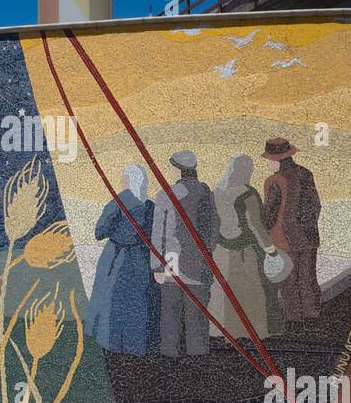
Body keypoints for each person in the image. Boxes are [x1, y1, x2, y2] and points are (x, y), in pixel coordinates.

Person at [151, 151, 219, 357]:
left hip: (172, 260)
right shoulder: (206, 193)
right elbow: (214, 226)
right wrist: (206, 250)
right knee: (197, 311)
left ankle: (169, 353)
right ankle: (198, 354)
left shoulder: (165, 195)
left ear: (177, 169)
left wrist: (156, 266)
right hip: (199, 261)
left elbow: (158, 234)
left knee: (170, 310)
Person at [86, 166, 160, 355]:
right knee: (138, 303)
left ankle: (110, 344)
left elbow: (99, 232)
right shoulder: (149, 205)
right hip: (141, 260)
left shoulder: (120, 201)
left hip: (116, 259)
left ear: (127, 179)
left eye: (123, 177)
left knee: (112, 300)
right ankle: (136, 345)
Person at [209, 155, 282, 342]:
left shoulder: (217, 191)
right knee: (248, 291)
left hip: (219, 249)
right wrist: (270, 249)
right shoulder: (247, 193)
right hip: (242, 251)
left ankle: (218, 331)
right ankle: (244, 332)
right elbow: (256, 225)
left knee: (221, 291)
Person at [261, 138, 322, 328]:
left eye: (269, 159)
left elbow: (270, 212)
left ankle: (294, 321)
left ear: (276, 159)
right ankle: (312, 318)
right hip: (308, 236)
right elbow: (315, 205)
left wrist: (264, 232)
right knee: (308, 277)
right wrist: (307, 226)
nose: (269, 163)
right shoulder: (306, 174)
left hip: (284, 238)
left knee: (288, 280)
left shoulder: (274, 180)